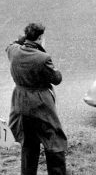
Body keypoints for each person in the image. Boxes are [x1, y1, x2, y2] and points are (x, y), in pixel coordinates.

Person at [7, 23, 67, 175]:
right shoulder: (43, 58)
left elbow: (11, 44)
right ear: (40, 38)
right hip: (41, 104)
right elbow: (56, 79)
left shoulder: (14, 51)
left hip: (20, 103)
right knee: (55, 141)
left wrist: (23, 39)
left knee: (28, 144)